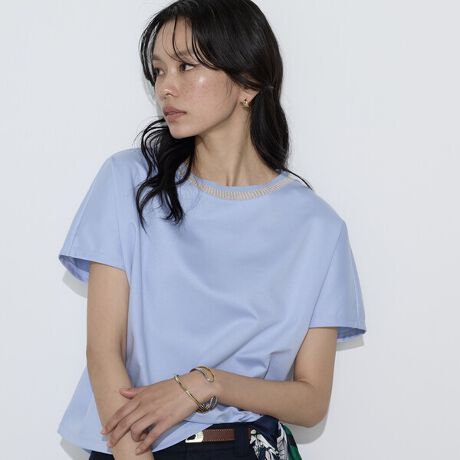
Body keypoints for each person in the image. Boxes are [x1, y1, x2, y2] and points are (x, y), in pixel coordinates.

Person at [57, 0, 367, 459]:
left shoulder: (317, 228)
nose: (166, 86)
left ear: (249, 82)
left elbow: (311, 400)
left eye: (186, 66)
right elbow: (103, 354)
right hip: (132, 449)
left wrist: (208, 383)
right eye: (158, 70)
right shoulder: (129, 183)